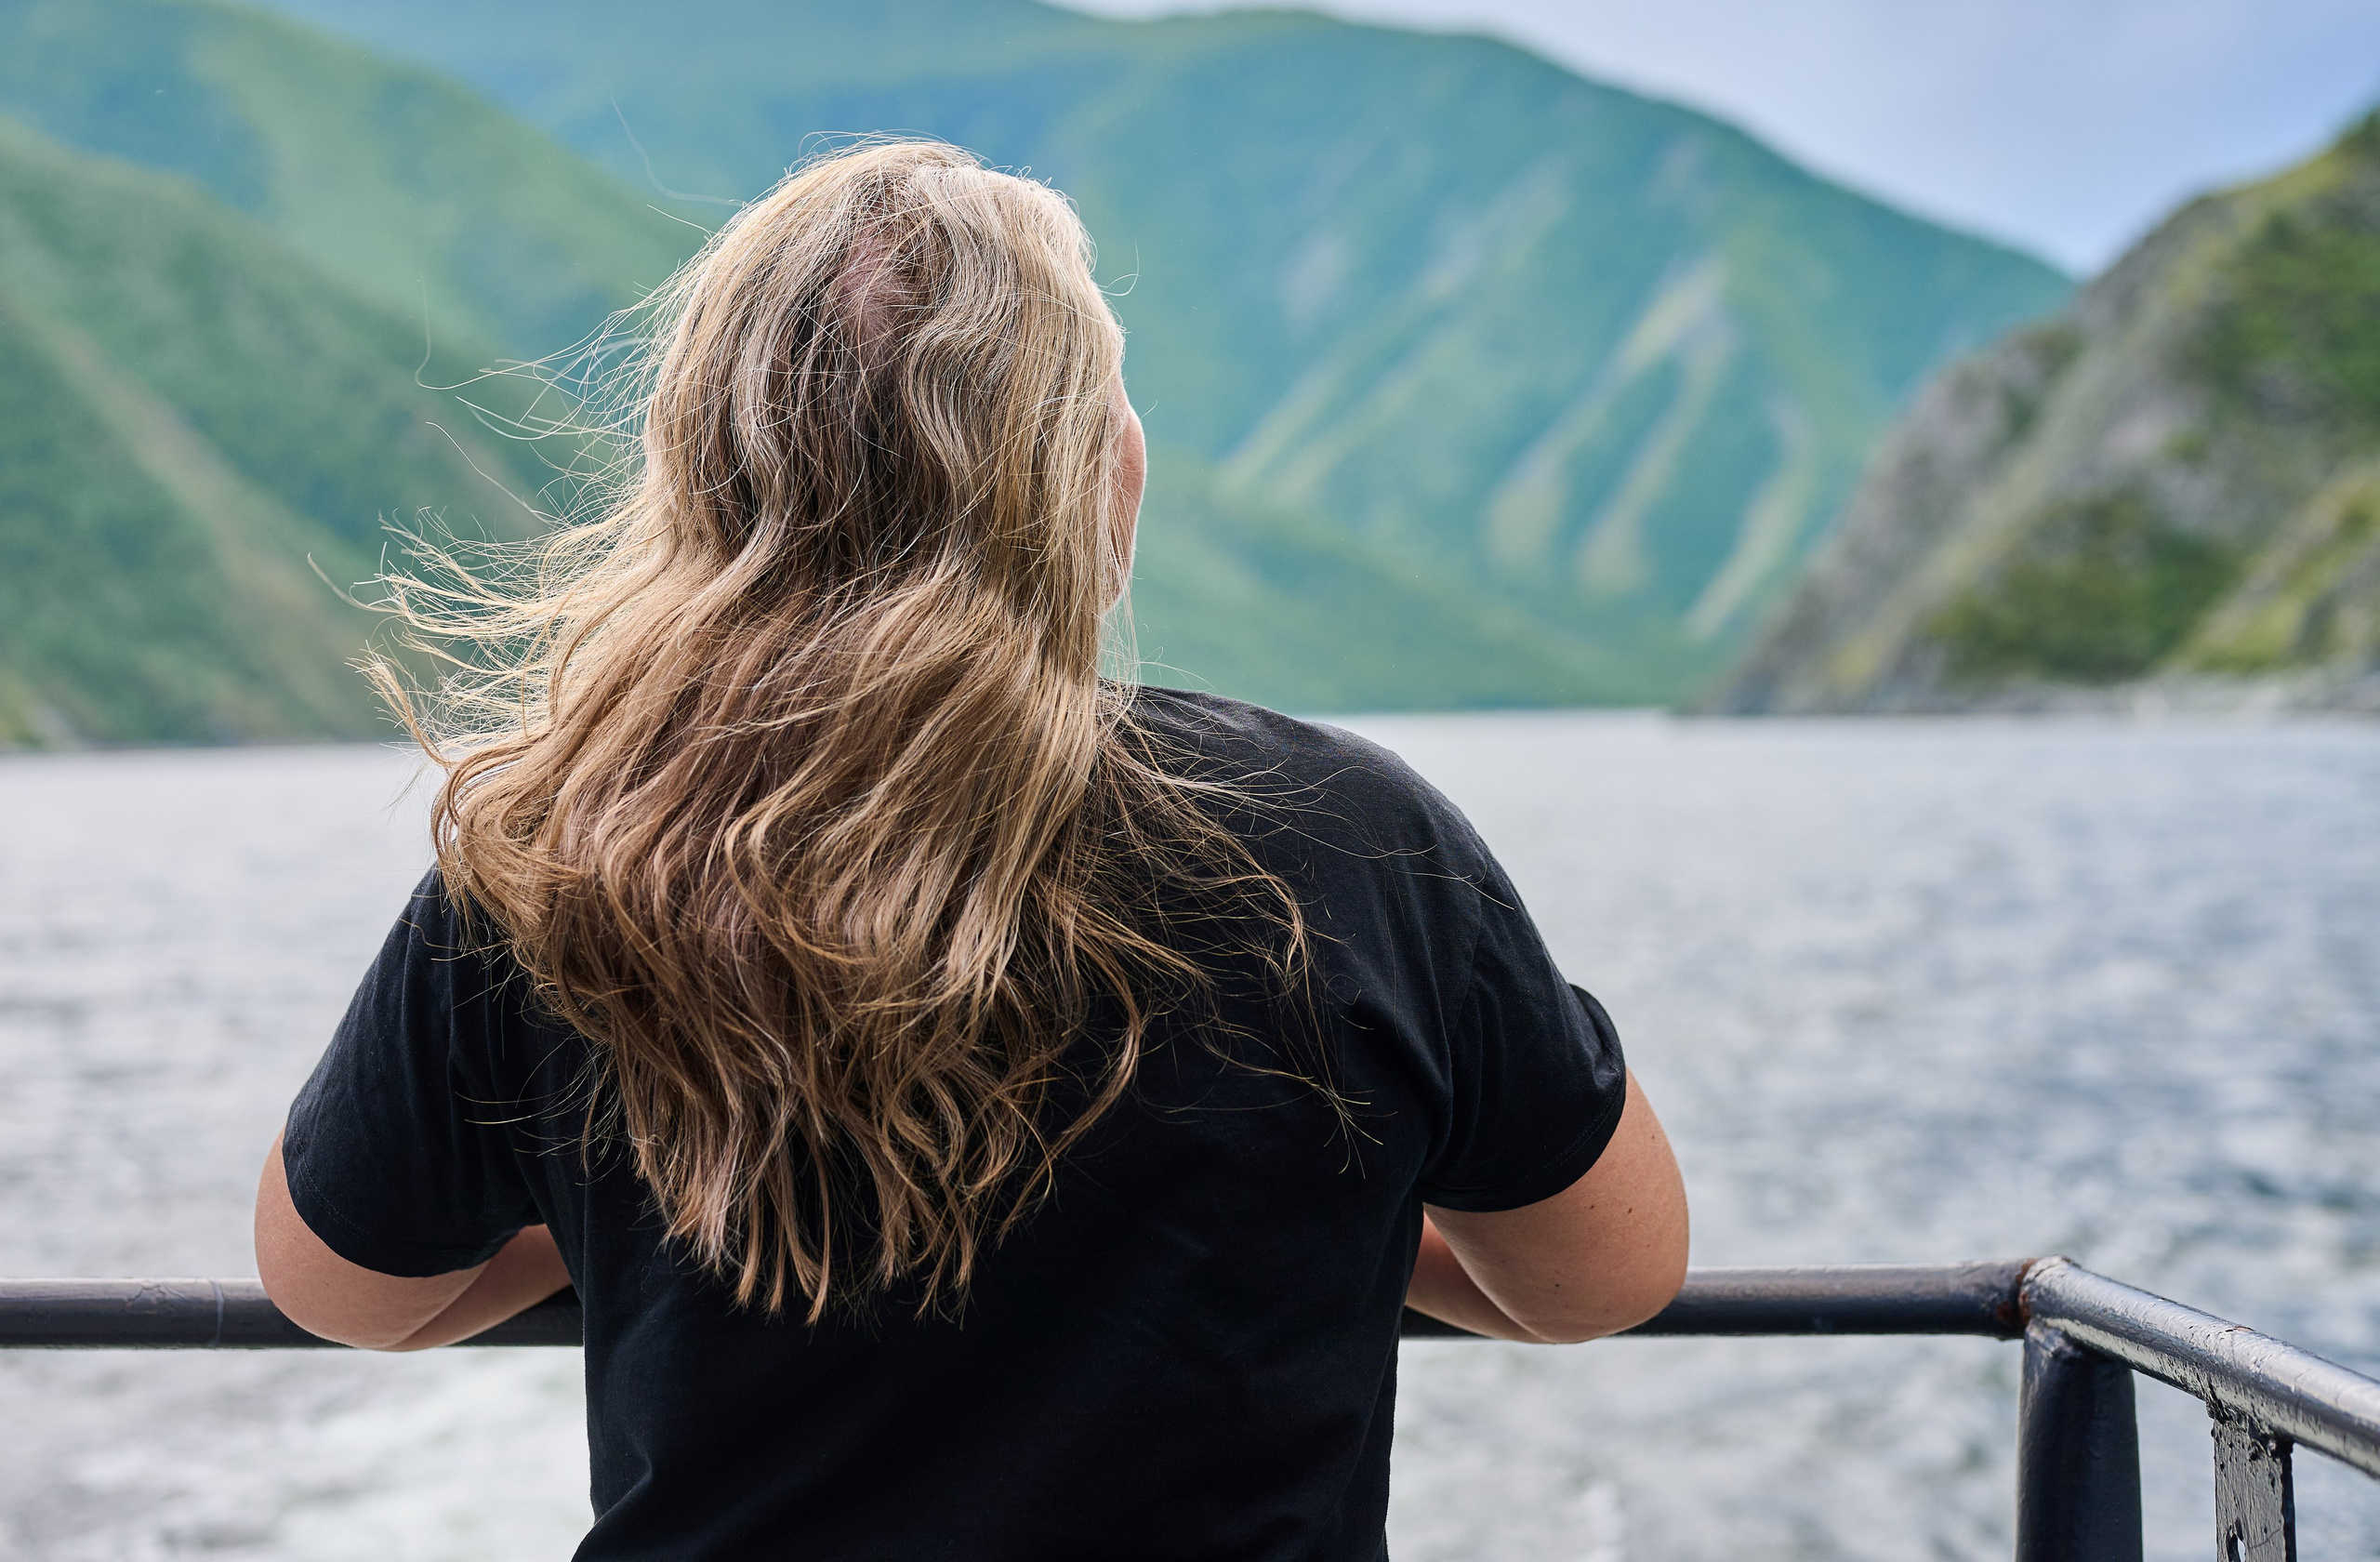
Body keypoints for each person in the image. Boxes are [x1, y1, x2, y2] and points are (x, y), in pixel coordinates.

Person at [254, 139, 1687, 1561]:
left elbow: (346, 1289)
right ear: (1100, 485)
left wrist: (661, 1192)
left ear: (702, 473)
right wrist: (1342, 1229)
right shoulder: (1352, 840)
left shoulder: (568, 852)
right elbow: (1600, 1279)